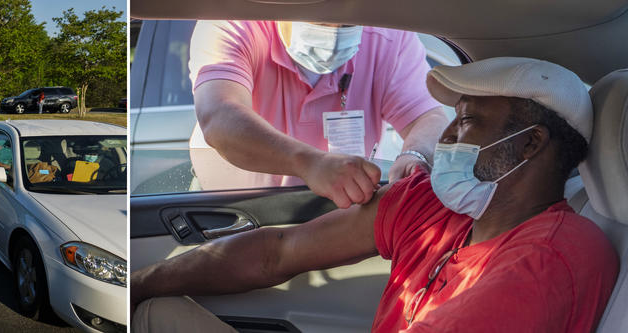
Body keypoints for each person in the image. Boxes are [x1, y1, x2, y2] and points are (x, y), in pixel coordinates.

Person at [131, 58, 618, 332]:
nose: (445, 138)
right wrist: (140, 283)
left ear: (530, 143)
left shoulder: (556, 256)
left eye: (467, 122)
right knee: (156, 314)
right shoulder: (430, 204)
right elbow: (275, 252)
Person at [188, 21, 450, 208]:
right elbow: (220, 117)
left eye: (347, 23)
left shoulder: (389, 36)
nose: (334, 32)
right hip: (234, 212)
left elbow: (429, 118)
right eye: (322, 20)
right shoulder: (233, 24)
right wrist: (309, 164)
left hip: (342, 212)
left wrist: (415, 154)